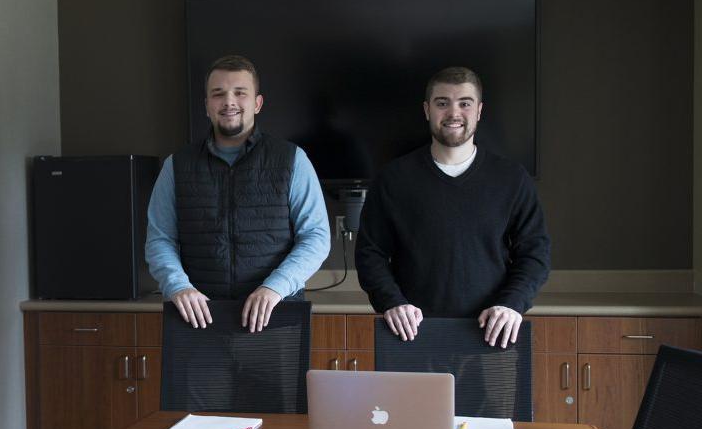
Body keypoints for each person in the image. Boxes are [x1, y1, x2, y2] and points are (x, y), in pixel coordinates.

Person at [355, 66, 550, 348]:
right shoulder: (393, 179)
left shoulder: (511, 178)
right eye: (442, 103)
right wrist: (392, 302)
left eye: (465, 104)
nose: (454, 113)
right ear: (427, 110)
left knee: (490, 396)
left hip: (491, 332)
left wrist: (512, 304)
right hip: (412, 333)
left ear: (479, 111)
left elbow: (536, 253)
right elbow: (369, 253)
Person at [146, 55, 329, 332]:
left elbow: (316, 237)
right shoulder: (176, 165)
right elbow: (160, 239)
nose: (228, 102)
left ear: (257, 103)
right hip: (200, 319)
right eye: (218, 94)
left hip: (276, 316)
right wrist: (178, 287)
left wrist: (274, 288)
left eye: (240, 93)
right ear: (207, 106)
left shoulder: (293, 159)